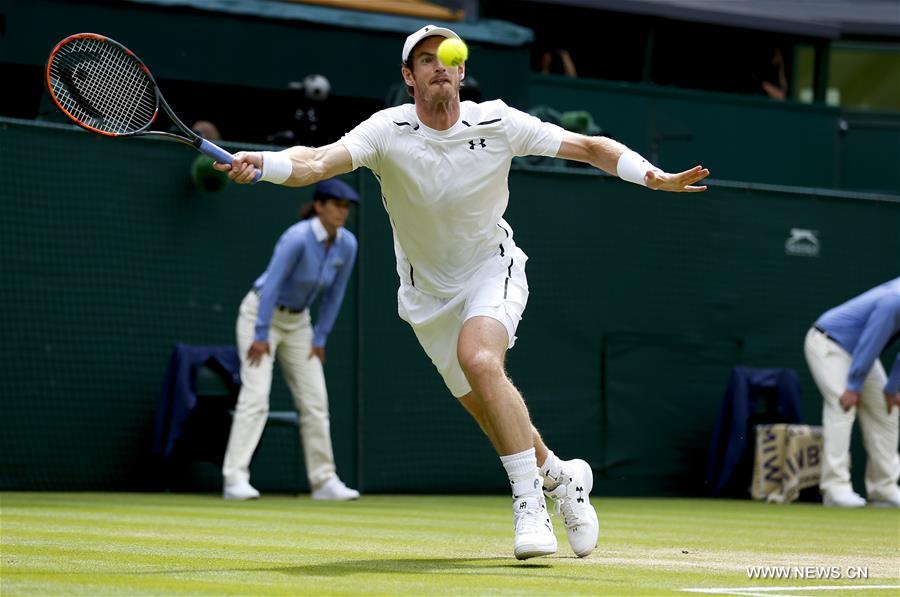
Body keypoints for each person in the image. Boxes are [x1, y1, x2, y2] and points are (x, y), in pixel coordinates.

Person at [216, 24, 709, 558]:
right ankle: (562, 479)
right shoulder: (386, 130)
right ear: (409, 77)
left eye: (445, 58)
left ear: (461, 68)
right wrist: (265, 164)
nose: (439, 67)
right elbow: (316, 161)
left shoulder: (497, 121)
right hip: (426, 298)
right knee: (488, 410)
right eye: (425, 60)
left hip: (490, 270)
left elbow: (588, 147)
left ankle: (530, 506)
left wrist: (651, 175)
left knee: (480, 359)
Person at [222, 179, 361, 502]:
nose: (342, 212)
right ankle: (234, 479)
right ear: (319, 206)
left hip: (299, 324)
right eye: (336, 205)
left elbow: (336, 294)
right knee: (256, 397)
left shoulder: (347, 245)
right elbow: (271, 285)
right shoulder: (297, 238)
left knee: (315, 401)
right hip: (260, 316)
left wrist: (320, 337)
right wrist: (260, 334)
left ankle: (323, 481)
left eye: (346, 207)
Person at [804, 277, 900, 508]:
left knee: (887, 412)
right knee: (843, 407)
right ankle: (835, 489)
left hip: (859, 353)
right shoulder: (894, 300)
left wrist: (892, 388)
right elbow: (872, 340)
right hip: (829, 343)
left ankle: (884, 489)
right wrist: (853, 385)